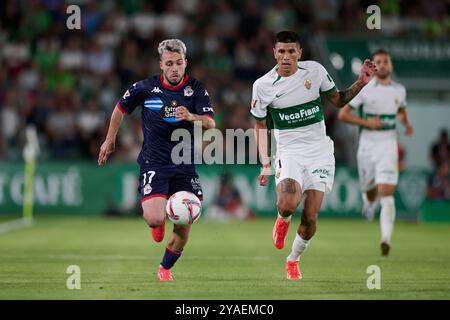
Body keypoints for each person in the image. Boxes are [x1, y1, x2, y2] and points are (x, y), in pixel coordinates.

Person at [251, 31, 376, 279]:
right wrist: (265, 162)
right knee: (287, 202)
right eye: (281, 51)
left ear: (299, 52)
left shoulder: (315, 72)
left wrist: (360, 82)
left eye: (291, 51)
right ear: (274, 53)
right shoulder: (263, 86)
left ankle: (293, 260)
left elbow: (338, 101)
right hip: (289, 151)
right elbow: (260, 125)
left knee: (310, 218)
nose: (286, 57)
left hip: (319, 152)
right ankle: (282, 218)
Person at [98, 39, 215, 281]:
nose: (175, 68)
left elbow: (210, 124)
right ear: (161, 64)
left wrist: (192, 116)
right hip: (154, 162)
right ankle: (158, 221)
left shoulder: (196, 88)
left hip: (184, 166)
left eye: (179, 63)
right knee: (154, 219)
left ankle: (164, 269)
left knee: (184, 223)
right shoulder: (145, 88)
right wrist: (110, 140)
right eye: (169, 63)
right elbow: (120, 109)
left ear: (186, 62)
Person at [338, 49, 414, 256]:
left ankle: (385, 239)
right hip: (367, 147)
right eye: (378, 61)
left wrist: (406, 124)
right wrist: (367, 122)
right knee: (370, 190)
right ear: (375, 65)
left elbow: (401, 109)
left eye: (386, 61)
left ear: (390, 65)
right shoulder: (366, 89)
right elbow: (342, 115)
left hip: (388, 145)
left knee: (387, 192)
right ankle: (369, 204)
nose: (382, 65)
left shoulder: (399, 90)